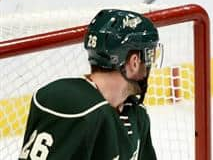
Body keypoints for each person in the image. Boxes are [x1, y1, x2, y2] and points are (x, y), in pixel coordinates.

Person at [19, 9, 160, 160]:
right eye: (149, 55)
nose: (150, 64)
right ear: (134, 62)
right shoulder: (77, 108)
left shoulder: (136, 114)